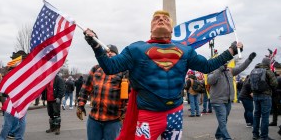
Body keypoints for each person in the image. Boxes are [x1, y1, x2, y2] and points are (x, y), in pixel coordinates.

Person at [83, 10, 243, 140]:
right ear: (151, 28)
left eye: (166, 19)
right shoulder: (136, 49)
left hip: (175, 114)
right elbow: (110, 67)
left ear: (172, 29)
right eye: (156, 18)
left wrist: (231, 52)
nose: (161, 19)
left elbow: (207, 66)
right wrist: (96, 45)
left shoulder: (185, 50)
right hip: (148, 116)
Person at [77, 44, 129, 140]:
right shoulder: (96, 69)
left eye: (112, 52)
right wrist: (80, 104)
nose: (109, 53)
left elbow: (129, 95)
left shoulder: (124, 71)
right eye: (106, 52)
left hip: (113, 120)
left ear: (117, 55)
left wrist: (125, 112)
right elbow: (85, 88)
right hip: (94, 119)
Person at [207, 52, 256, 140]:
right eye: (223, 62)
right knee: (222, 120)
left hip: (228, 100)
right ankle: (227, 138)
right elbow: (210, 81)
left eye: (226, 62)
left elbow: (241, 68)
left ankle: (218, 135)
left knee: (224, 119)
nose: (225, 63)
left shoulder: (230, 71)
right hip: (218, 100)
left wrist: (249, 59)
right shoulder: (213, 70)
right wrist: (219, 70)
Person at [251, 57, 278, 140]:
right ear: (268, 64)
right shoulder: (268, 71)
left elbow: (250, 82)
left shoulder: (254, 70)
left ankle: (255, 135)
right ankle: (264, 136)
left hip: (255, 95)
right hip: (266, 96)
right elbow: (275, 84)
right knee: (265, 117)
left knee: (256, 115)